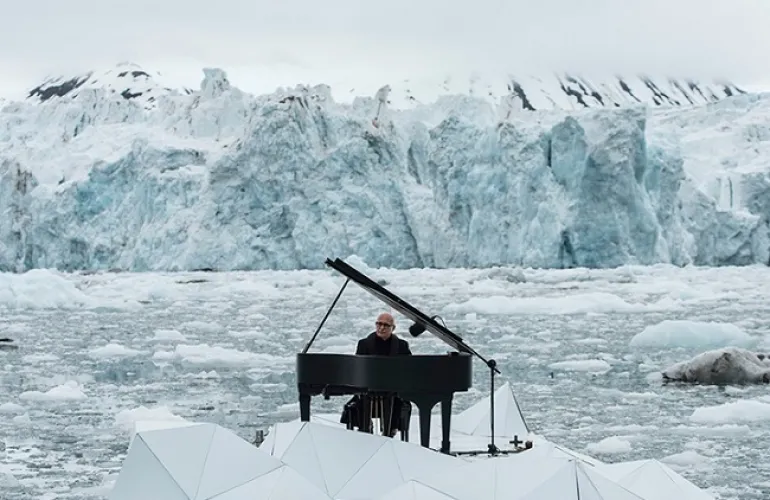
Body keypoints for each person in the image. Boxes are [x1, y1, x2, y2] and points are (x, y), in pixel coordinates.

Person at [341, 312, 412, 436]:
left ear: (393, 328)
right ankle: (365, 429)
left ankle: (390, 432)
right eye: (379, 324)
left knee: (398, 403)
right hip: (368, 391)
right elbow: (358, 368)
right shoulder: (364, 344)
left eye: (386, 325)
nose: (382, 327)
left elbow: (409, 368)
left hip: (392, 391)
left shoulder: (401, 345)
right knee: (359, 402)